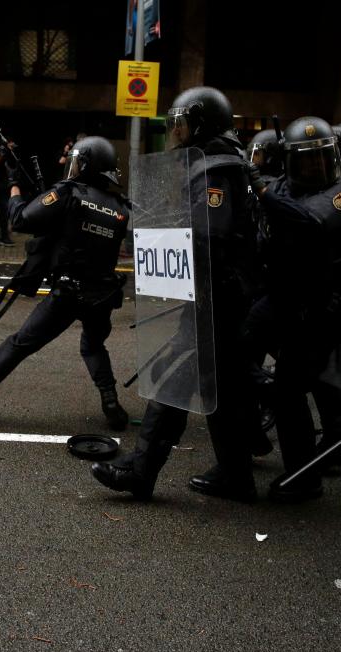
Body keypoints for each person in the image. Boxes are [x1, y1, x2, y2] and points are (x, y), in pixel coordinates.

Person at [91, 86, 260, 501]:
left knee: (172, 379)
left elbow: (211, 231)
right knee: (219, 388)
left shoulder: (217, 167)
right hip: (224, 297)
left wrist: (167, 237)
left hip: (217, 300)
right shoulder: (218, 162)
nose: (177, 132)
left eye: (183, 124)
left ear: (203, 124)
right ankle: (236, 475)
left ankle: (142, 472)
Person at [0, 136, 131, 431]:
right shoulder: (120, 207)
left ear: (87, 164)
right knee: (93, 346)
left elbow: (21, 220)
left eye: (76, 161)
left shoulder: (69, 193)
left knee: (18, 345)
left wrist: (14, 186)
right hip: (103, 294)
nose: (71, 166)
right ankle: (112, 404)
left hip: (68, 293)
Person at [242, 116, 341, 501]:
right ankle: (263, 402)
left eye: (322, 159)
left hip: (316, 310)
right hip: (278, 299)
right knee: (234, 352)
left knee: (291, 395)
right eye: (306, 162)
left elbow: (309, 223)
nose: (315, 168)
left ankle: (303, 477)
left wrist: (261, 190)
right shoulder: (277, 188)